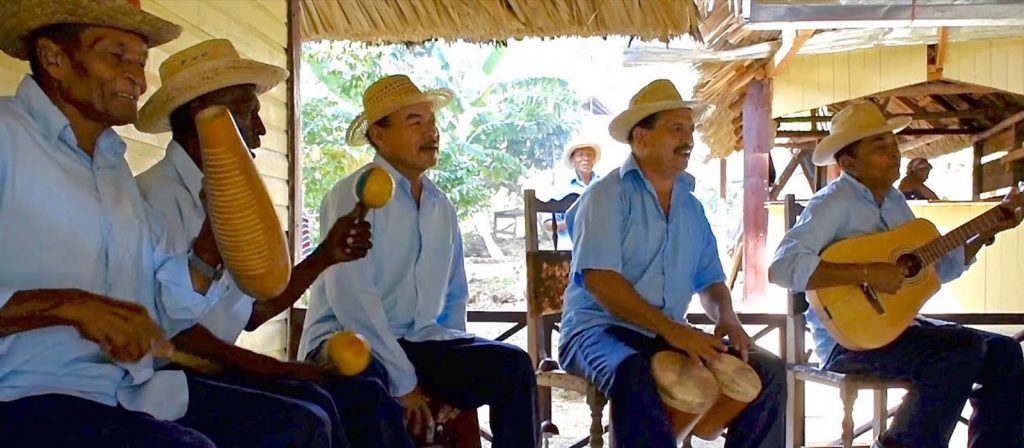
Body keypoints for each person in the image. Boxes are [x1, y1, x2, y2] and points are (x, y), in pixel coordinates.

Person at [0, 1, 329, 447]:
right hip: (24, 394)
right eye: (116, 56)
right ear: (53, 57)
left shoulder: (113, 167)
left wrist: (210, 244)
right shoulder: (7, 136)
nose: (136, 78)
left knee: (300, 425)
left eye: (140, 61)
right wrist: (69, 306)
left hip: (130, 391)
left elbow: (166, 300)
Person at [135, 38, 413, 448]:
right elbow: (177, 334)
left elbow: (251, 312)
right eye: (248, 112)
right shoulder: (155, 198)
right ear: (204, 115)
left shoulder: (226, 195)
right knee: (307, 418)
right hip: (171, 381)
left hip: (218, 370)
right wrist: (281, 369)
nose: (261, 130)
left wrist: (326, 255)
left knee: (365, 396)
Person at [299, 74, 540, 448]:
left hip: (418, 340)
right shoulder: (351, 196)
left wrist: (456, 386)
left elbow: (454, 296)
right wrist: (405, 382)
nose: (431, 132)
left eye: (432, 121)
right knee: (370, 387)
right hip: (347, 342)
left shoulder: (440, 206)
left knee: (513, 366)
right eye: (415, 122)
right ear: (378, 135)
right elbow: (353, 303)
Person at [769, 101, 1024, 448]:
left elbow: (938, 269)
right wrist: (866, 272)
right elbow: (782, 267)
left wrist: (985, 232)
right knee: (960, 349)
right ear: (849, 163)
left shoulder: (894, 202)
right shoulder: (831, 203)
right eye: (880, 147)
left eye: (893, 145)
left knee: (1004, 353)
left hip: (900, 329)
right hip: (848, 343)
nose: (894, 154)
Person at [558, 79, 785, 448]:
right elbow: (601, 282)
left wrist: (727, 318)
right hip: (596, 330)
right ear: (641, 139)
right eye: (676, 128)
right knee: (633, 371)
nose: (688, 139)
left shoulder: (691, 207)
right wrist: (674, 330)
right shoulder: (605, 196)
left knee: (768, 371)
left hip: (663, 333)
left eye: (690, 130)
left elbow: (710, 281)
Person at [544, 142, 601, 249]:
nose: (585, 158)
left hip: (600, 248)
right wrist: (573, 222)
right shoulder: (562, 188)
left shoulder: (604, 185)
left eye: (589, 154)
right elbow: (548, 224)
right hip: (569, 249)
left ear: (594, 159)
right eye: (580, 155)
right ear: (572, 160)